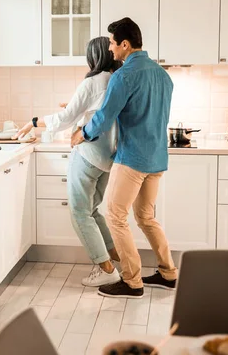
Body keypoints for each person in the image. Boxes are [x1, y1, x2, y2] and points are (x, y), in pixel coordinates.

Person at [71, 17, 178, 298]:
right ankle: (168, 273)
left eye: (112, 43)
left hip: (132, 159)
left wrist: (84, 132)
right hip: (157, 158)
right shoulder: (163, 75)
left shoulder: (124, 75)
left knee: (115, 216)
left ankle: (132, 281)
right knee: (146, 217)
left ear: (125, 45)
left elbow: (105, 116)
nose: (110, 49)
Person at [13, 36, 123, 287]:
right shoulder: (118, 80)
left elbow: (64, 118)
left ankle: (106, 269)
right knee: (92, 211)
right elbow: (97, 113)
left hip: (87, 155)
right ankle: (119, 260)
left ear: (93, 57)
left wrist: (33, 122)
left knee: (79, 213)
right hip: (108, 158)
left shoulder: (93, 82)